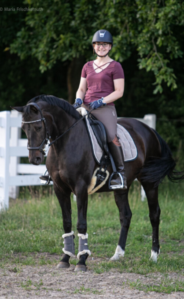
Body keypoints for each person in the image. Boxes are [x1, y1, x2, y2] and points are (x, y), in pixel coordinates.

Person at [73, 29, 127, 189]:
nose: (101, 47)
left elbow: (119, 91)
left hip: (105, 108)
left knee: (111, 135)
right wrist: (78, 99)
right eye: (97, 44)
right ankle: (53, 170)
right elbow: (81, 88)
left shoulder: (115, 66)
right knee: (65, 126)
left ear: (110, 47)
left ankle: (120, 173)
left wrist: (102, 101)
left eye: (104, 44)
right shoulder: (87, 66)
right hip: (86, 105)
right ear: (93, 46)